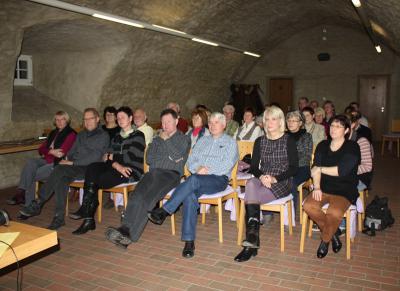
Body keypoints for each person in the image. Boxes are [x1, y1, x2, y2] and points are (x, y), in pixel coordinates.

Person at [148, 112, 239, 258]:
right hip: (197, 177)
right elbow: (190, 160)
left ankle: (164, 210)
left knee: (193, 180)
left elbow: (227, 164)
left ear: (224, 125)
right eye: (211, 122)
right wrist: (198, 168)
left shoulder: (230, 142)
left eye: (217, 122)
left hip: (218, 179)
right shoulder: (202, 141)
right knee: (189, 195)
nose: (213, 125)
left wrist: (206, 170)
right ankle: (189, 242)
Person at [105, 109, 190, 248]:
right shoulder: (157, 138)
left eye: (168, 121)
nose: (165, 125)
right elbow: (150, 158)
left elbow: (177, 156)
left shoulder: (183, 138)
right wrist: (166, 152)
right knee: (136, 195)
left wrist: (166, 141)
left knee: (148, 199)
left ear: (176, 121)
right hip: (153, 172)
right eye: (163, 122)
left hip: (171, 174)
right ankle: (124, 229)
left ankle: (130, 235)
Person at [19, 108, 110, 230]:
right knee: (61, 178)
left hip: (89, 169)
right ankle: (59, 218)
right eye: (85, 119)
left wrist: (71, 163)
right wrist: (67, 158)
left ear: (97, 119)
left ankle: (39, 202)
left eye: (91, 118)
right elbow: (72, 151)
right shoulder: (81, 135)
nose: (87, 121)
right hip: (74, 167)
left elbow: (95, 157)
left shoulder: (103, 135)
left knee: (60, 170)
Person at [234, 106, 298, 262]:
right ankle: (252, 239)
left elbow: (294, 168)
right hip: (263, 178)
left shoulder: (288, 140)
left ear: (280, 121)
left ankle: (251, 243)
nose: (269, 122)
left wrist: (275, 179)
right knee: (250, 184)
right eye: (267, 119)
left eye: (273, 119)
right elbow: (254, 167)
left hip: (281, 180)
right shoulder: (260, 141)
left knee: (250, 196)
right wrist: (262, 176)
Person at [70, 106, 146, 235]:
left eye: (123, 117)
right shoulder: (116, 136)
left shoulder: (138, 135)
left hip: (130, 171)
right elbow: (106, 156)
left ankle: (88, 211)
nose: (120, 120)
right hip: (116, 167)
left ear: (130, 118)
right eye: (118, 118)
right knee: (93, 167)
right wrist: (116, 163)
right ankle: (88, 215)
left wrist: (113, 159)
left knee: (97, 180)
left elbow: (130, 157)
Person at [303, 115, 360, 259]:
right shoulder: (323, 144)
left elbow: (342, 171)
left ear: (346, 130)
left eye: (338, 126)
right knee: (308, 206)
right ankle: (333, 235)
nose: (333, 129)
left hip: (344, 190)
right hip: (323, 188)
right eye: (332, 126)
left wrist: (321, 169)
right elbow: (314, 168)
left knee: (333, 213)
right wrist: (316, 187)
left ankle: (325, 241)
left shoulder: (352, 146)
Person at [7, 111, 77, 208]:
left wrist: (47, 151)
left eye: (62, 119)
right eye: (57, 120)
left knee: (31, 174)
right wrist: (51, 151)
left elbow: (61, 153)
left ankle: (28, 204)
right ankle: (21, 192)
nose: (60, 122)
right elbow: (40, 149)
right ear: (54, 121)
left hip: (57, 163)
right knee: (30, 162)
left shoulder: (71, 134)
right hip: (46, 159)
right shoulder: (53, 133)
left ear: (67, 121)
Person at [286, 111, 313, 213]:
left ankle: (290, 213)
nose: (290, 123)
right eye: (289, 120)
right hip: (285, 168)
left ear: (300, 123)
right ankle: (267, 212)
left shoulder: (306, 136)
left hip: (301, 168)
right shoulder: (283, 135)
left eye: (294, 120)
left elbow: (306, 156)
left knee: (290, 182)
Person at [348, 114, 373, 189]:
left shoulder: (361, 141)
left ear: (352, 125)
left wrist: (345, 171)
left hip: (360, 177)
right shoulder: (339, 139)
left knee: (337, 188)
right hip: (344, 175)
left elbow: (367, 167)